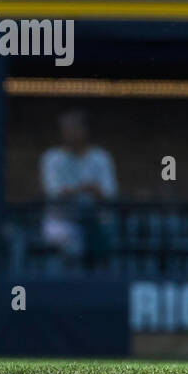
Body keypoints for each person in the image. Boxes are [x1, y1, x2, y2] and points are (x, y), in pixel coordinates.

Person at [39, 110, 117, 267]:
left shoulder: (100, 157)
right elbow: (54, 192)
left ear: (85, 130)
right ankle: (70, 283)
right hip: (61, 221)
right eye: (66, 129)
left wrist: (83, 190)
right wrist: (83, 189)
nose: (70, 133)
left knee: (107, 234)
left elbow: (110, 193)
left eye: (75, 128)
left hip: (96, 220)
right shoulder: (52, 158)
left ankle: (100, 282)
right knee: (71, 242)